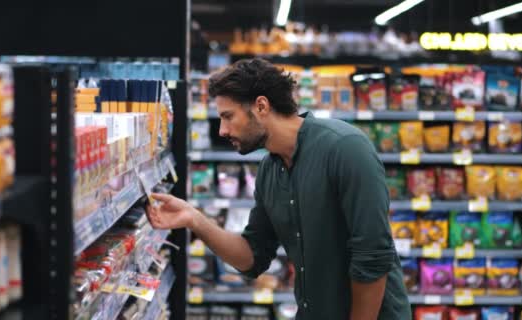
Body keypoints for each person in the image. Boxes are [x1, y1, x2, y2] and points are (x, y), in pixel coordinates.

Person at [146, 59, 411, 319]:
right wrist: (194, 219)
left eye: (228, 117)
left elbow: (374, 256)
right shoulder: (269, 171)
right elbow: (252, 257)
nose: (223, 131)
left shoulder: (345, 148)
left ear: (261, 106)